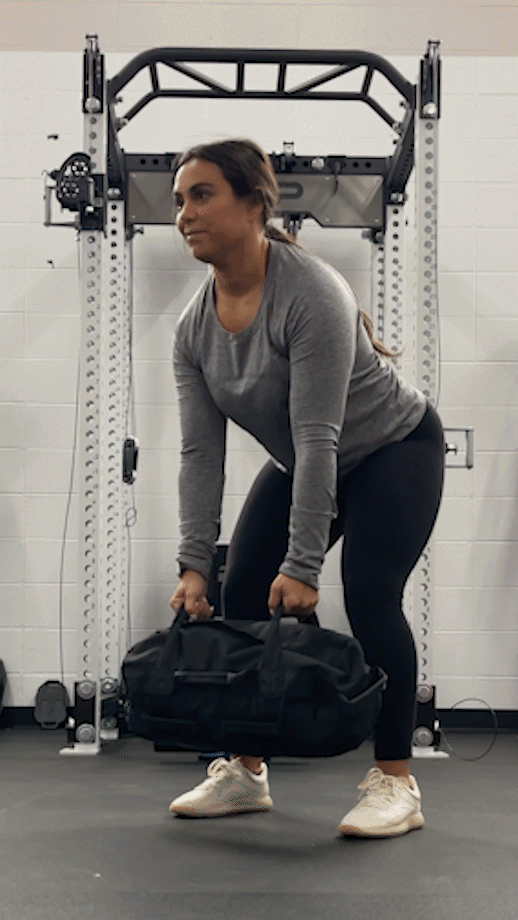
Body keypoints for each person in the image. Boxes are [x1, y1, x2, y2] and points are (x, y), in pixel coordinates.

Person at [167, 138, 445, 838]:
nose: (184, 214)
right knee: (240, 588)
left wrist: (303, 564)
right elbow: (201, 454)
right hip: (309, 460)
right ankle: (247, 771)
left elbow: (320, 435)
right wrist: (193, 562)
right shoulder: (193, 331)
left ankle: (397, 782)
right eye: (179, 201)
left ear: (254, 203)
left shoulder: (312, 291)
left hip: (392, 448)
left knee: (371, 593)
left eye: (202, 195)